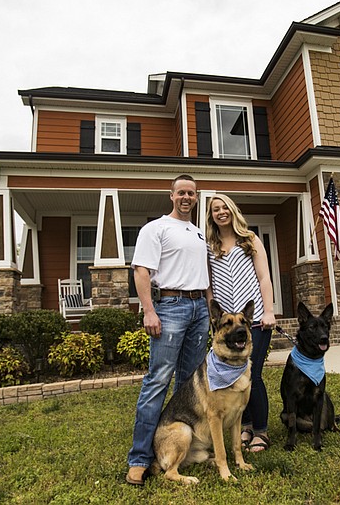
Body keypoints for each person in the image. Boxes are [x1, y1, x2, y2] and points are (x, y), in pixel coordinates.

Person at [126, 174, 210, 486]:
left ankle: (179, 449)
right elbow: (141, 270)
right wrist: (149, 310)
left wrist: (210, 312)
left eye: (191, 193)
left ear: (196, 197)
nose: (186, 197)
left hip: (199, 307)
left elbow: (205, 276)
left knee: (189, 385)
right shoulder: (156, 228)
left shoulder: (199, 234)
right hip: (171, 306)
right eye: (181, 193)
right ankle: (139, 459)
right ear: (171, 195)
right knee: (158, 381)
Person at [205, 193, 276, 453]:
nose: (221, 212)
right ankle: (244, 426)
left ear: (233, 210)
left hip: (253, 321)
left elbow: (264, 278)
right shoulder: (210, 246)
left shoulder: (250, 239)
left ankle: (261, 431)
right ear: (211, 215)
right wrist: (213, 319)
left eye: (225, 207)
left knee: (252, 375)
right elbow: (209, 287)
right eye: (215, 209)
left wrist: (268, 311)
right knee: (233, 378)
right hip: (225, 324)